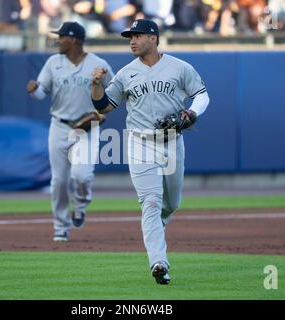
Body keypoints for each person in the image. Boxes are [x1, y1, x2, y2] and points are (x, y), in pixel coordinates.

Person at [91, 19, 210, 285]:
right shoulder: (125, 73)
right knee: (151, 202)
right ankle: (159, 262)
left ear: (153, 38)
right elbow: (103, 105)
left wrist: (191, 112)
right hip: (139, 142)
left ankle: (157, 224)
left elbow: (202, 95)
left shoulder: (180, 68)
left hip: (170, 141)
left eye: (137, 35)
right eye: (129, 36)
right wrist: (96, 84)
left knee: (171, 203)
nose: (132, 40)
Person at [27, 21, 114, 242]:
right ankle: (60, 227)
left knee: (81, 175)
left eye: (62, 36)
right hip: (59, 125)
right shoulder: (53, 62)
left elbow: (113, 95)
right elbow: (41, 93)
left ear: (74, 39)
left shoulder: (98, 63)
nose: (58, 40)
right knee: (59, 181)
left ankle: (81, 205)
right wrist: (34, 91)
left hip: (87, 126)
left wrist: (103, 114)